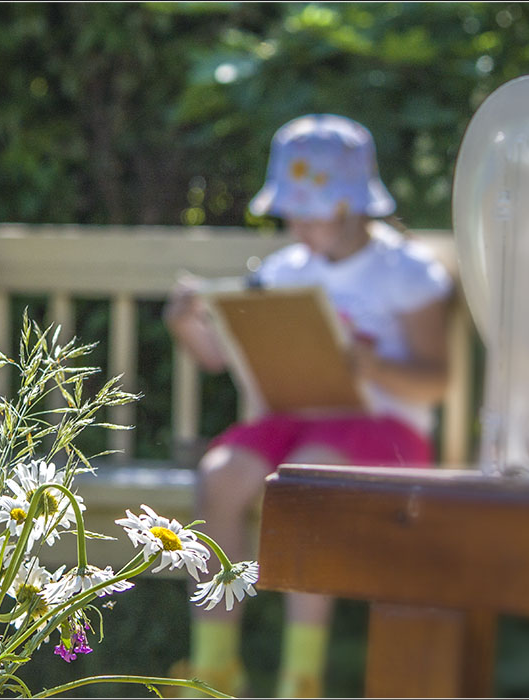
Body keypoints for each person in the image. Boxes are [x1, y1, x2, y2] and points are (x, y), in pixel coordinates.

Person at [164, 114, 453, 697]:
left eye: (306, 208)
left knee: (301, 484)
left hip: (382, 430)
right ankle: (214, 667)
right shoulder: (283, 271)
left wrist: (366, 366)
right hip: (291, 421)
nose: (293, 221)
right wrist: (186, 324)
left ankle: (302, 678)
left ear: (348, 205)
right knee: (218, 479)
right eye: (289, 208)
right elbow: (220, 357)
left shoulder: (405, 270)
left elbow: (435, 380)